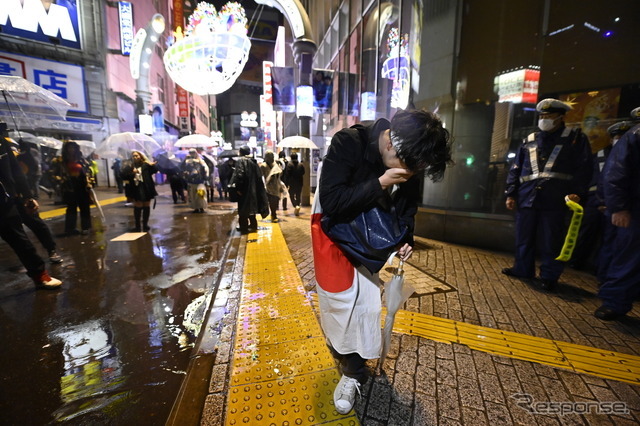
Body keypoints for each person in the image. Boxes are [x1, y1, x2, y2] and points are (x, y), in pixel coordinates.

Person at [312, 109, 452, 414]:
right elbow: (332, 202)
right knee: (335, 299)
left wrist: (407, 237)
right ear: (390, 144)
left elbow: (407, 205)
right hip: (333, 235)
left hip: (370, 244)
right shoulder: (348, 143)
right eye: (408, 168)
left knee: (366, 304)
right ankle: (340, 343)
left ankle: (353, 373)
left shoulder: (408, 157)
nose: (411, 174)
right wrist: (382, 181)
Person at [502, 98, 593, 291]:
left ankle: (549, 276)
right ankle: (522, 269)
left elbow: (584, 168)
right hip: (528, 196)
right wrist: (511, 193)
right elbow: (516, 168)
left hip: (556, 198)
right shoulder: (530, 139)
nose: (544, 119)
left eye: (549, 116)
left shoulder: (575, 138)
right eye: (542, 116)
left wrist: (578, 193)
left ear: (560, 117)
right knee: (523, 236)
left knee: (551, 239)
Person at [0, 123, 62, 288]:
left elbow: (15, 170)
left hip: (6, 201)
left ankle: (40, 274)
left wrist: (27, 195)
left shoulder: (4, 143)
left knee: (22, 241)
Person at [595, 107, 640, 320]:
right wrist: (619, 207)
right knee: (628, 258)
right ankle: (614, 302)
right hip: (635, 211)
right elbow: (615, 174)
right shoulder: (634, 136)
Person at [570, 121, 633, 273]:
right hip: (594, 201)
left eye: (624, 136)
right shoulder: (598, 155)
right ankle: (576, 262)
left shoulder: (631, 157)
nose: (620, 139)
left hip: (616, 205)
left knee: (610, 238)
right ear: (611, 139)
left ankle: (602, 269)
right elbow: (587, 177)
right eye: (617, 136)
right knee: (586, 233)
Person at [51, 141, 95, 236]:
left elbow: (88, 171)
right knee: (71, 208)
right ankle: (70, 228)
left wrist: (89, 182)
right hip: (69, 187)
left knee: (84, 207)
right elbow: (54, 174)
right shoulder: (60, 161)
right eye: (69, 148)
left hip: (82, 185)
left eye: (73, 147)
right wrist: (61, 180)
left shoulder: (81, 159)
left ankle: (86, 227)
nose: (71, 149)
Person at [230, 146, 269, 234]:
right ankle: (253, 225)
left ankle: (243, 227)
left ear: (241, 152)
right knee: (252, 209)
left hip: (244, 190)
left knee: (243, 209)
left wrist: (238, 189)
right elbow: (259, 176)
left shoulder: (241, 161)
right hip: (253, 190)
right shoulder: (253, 161)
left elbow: (240, 175)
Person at [120, 151, 158, 232]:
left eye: (137, 155)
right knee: (138, 205)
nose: (135, 157)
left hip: (146, 187)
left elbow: (154, 170)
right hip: (136, 188)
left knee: (146, 205)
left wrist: (152, 165)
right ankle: (137, 225)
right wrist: (132, 173)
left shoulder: (146, 165)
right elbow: (123, 176)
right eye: (133, 156)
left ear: (140, 156)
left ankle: (145, 225)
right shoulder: (130, 166)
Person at [259, 150, 285, 223]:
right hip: (267, 186)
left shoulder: (275, 164)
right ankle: (273, 214)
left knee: (276, 200)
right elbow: (260, 175)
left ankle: (273, 213)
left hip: (276, 185)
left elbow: (281, 173)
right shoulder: (263, 166)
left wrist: (277, 173)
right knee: (270, 201)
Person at [182, 148, 209, 213]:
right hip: (191, 181)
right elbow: (182, 167)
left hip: (200, 181)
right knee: (193, 196)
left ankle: (201, 207)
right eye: (191, 152)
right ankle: (196, 208)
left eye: (193, 152)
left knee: (201, 195)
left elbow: (206, 169)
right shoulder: (187, 161)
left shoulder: (201, 161)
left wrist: (205, 178)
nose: (192, 154)